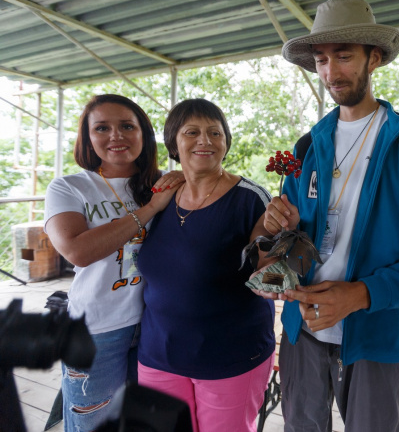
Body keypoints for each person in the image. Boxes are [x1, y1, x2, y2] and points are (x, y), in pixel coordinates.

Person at [261, 0, 399, 431]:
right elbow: (290, 240)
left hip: (376, 331)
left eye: (344, 56)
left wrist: (360, 295)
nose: (331, 71)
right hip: (302, 329)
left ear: (376, 57)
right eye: (322, 59)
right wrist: (283, 231)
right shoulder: (307, 147)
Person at [44, 94, 183, 431]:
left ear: (143, 133)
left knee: (145, 419)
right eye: (102, 128)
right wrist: (150, 208)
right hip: (97, 328)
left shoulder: (167, 183)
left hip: (156, 324)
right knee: (93, 421)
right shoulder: (69, 187)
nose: (116, 136)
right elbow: (78, 250)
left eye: (126, 126)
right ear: (88, 138)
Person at [136, 99, 275, 432]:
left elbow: (268, 258)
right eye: (192, 132)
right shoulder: (161, 195)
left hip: (229, 358)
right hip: (158, 354)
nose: (205, 140)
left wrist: (274, 265)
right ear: (174, 143)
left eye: (215, 132)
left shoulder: (250, 198)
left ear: (226, 143)